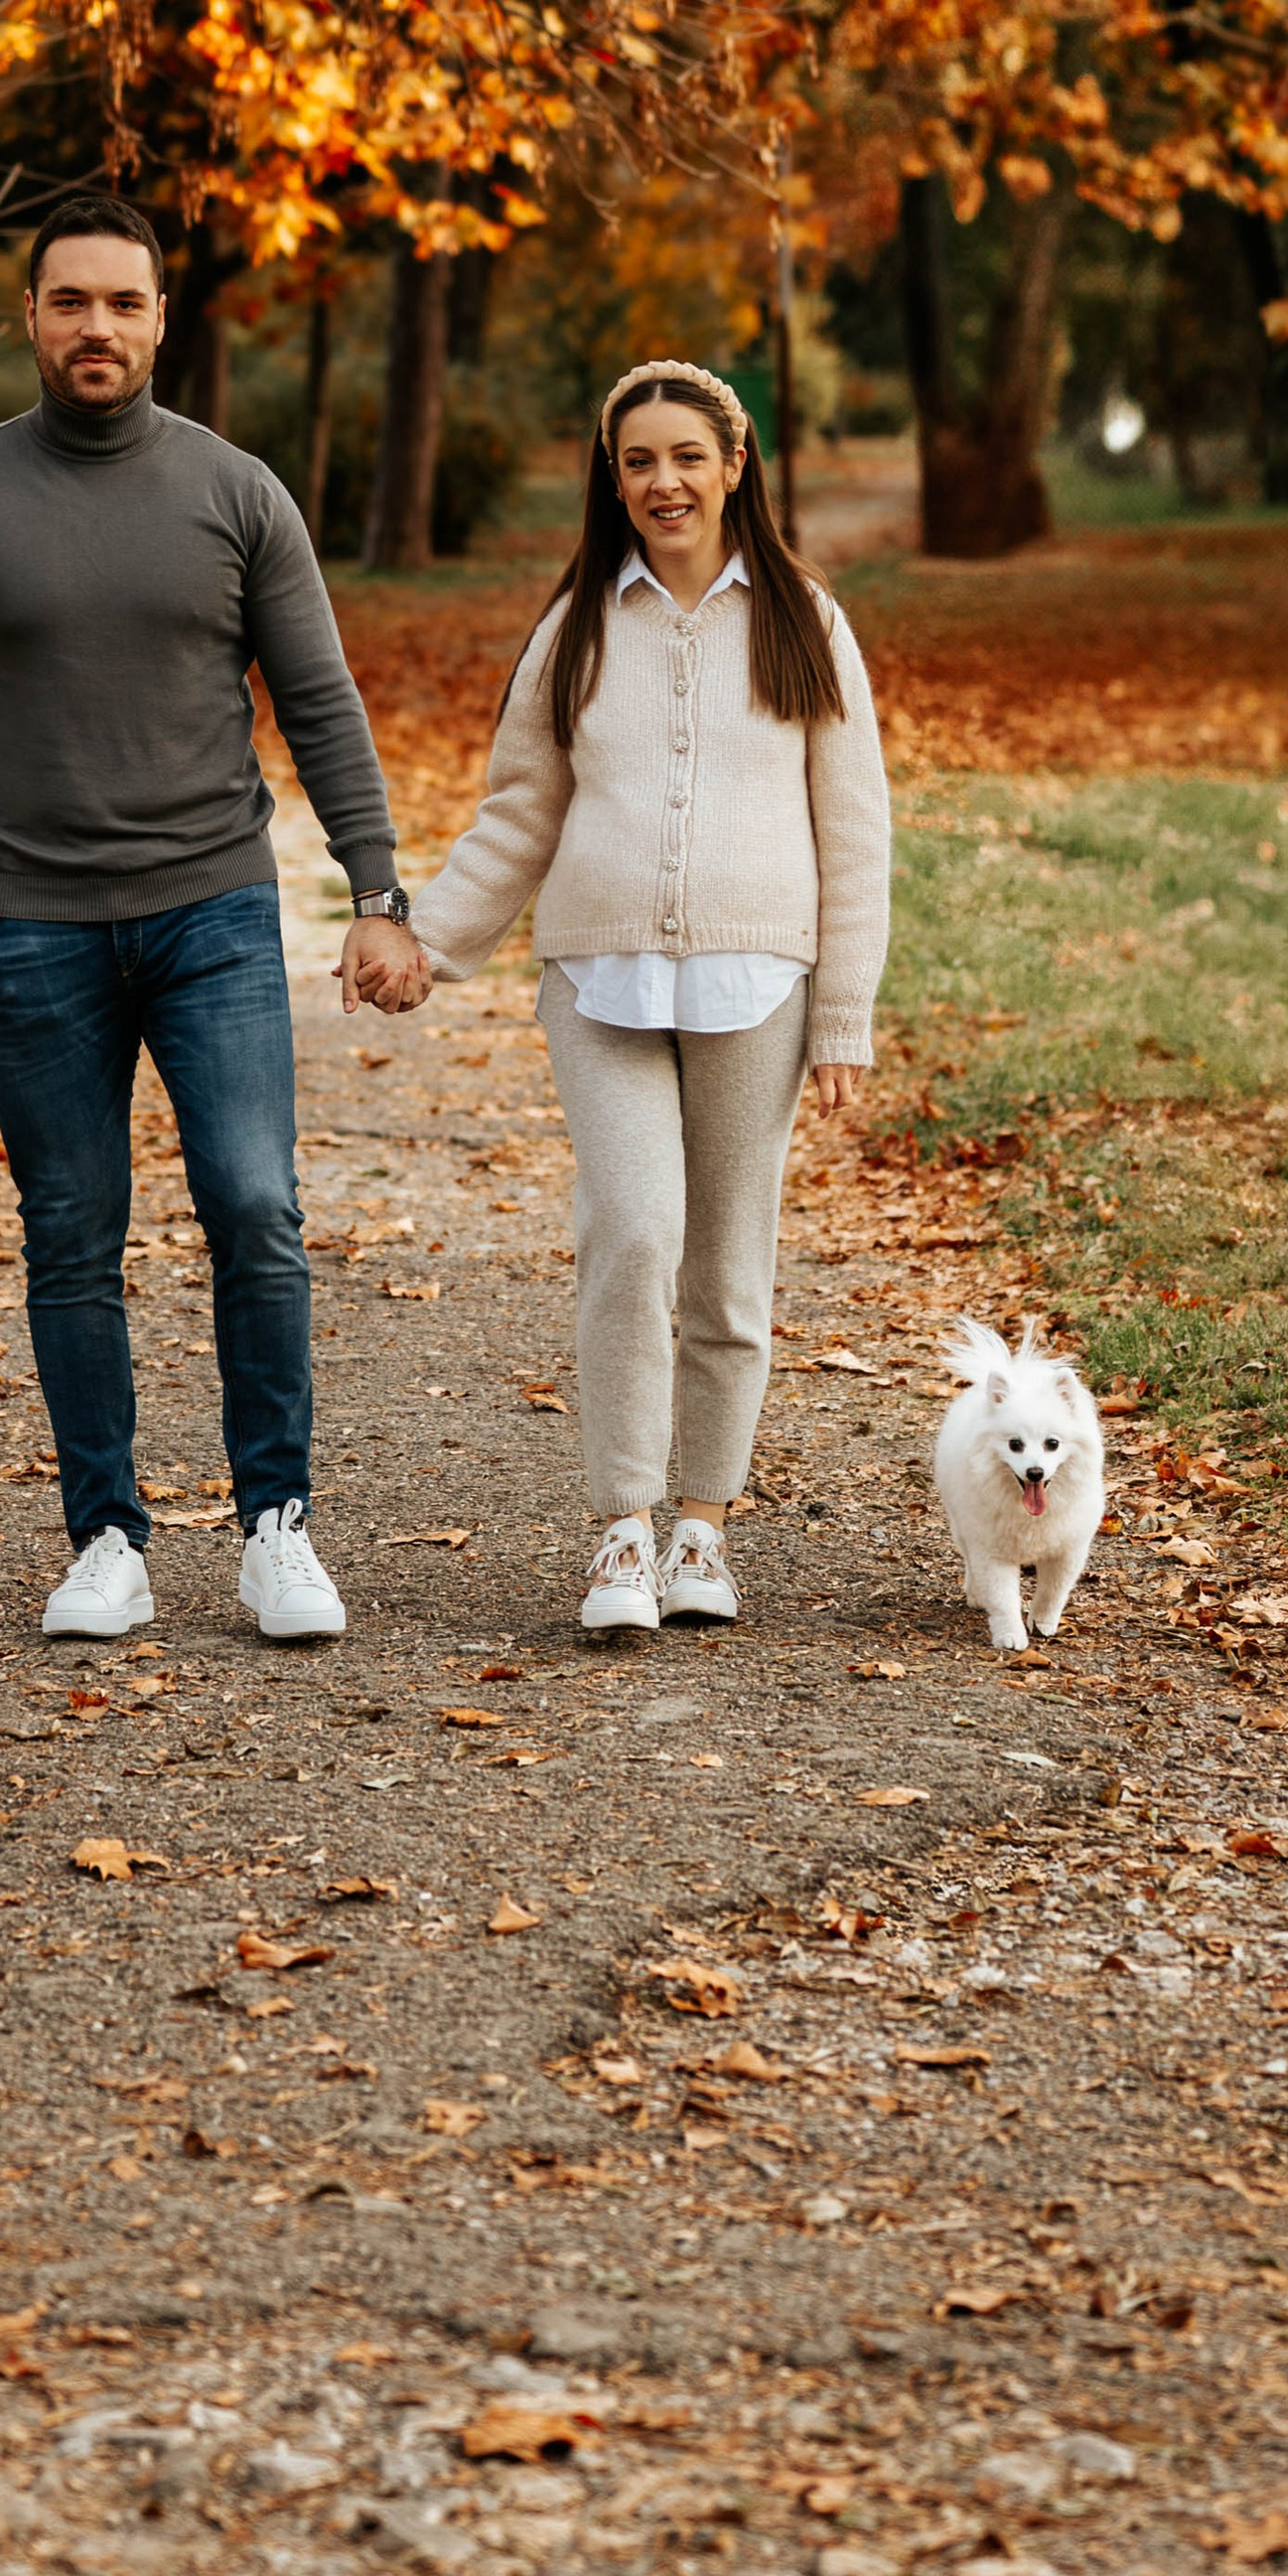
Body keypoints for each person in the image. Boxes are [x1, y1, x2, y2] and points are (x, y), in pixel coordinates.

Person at [0, 197, 428, 1645]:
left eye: (122, 302)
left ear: (162, 320)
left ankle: (276, 1526)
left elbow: (321, 700)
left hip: (211, 908)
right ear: (30, 318)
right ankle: (106, 1537)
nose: (96, 326)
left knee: (255, 1205)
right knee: (70, 1233)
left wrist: (378, 893)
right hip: (30, 924)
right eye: (70, 301)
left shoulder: (237, 493)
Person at [410, 359, 890, 1634]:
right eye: (636, 462)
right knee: (631, 1233)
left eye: (685, 456)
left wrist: (842, 1015)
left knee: (728, 1266)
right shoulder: (576, 625)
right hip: (599, 978)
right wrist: (423, 942)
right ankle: (624, 1527)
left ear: (735, 464)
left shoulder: (805, 622)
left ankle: (702, 1531)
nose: (662, 481)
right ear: (611, 481)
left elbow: (854, 834)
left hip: (758, 984)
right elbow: (519, 812)